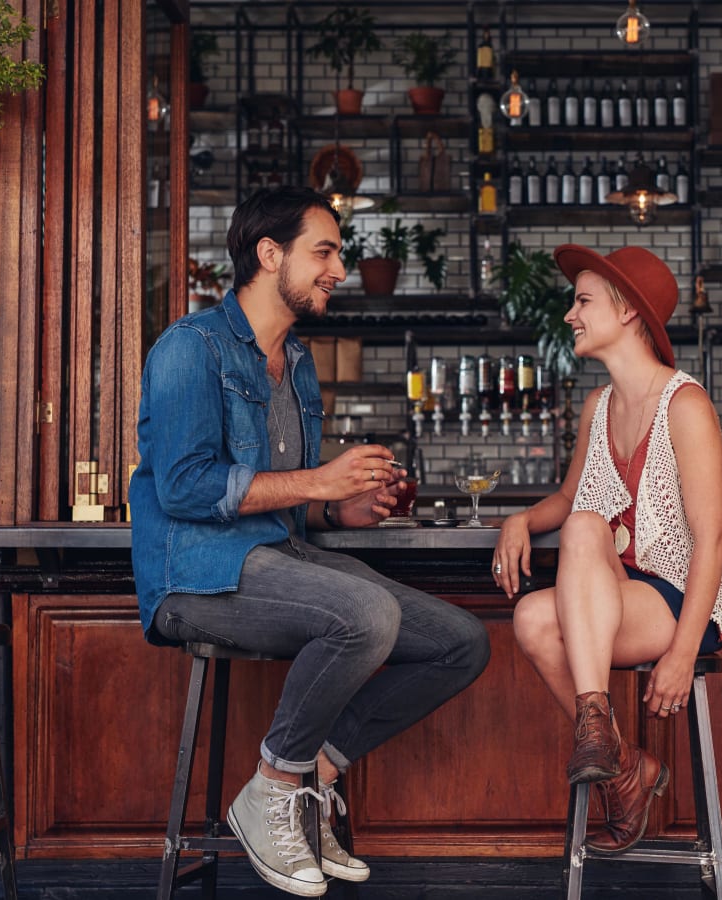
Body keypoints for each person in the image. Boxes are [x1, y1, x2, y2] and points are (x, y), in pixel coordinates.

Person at [130, 187, 490, 897]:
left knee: (462, 641)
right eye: (323, 252)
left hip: (279, 558)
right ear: (270, 255)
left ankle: (309, 780)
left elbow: (290, 498)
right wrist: (317, 484)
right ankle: (268, 790)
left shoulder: (295, 363)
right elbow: (183, 489)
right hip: (194, 574)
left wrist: (341, 509)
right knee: (365, 614)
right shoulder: (189, 348)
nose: (338, 270)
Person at [492, 244, 722, 853]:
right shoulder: (599, 406)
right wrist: (521, 520)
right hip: (624, 590)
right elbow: (568, 496)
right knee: (531, 615)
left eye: (582, 301)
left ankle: (606, 748)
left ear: (629, 312)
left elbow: (712, 540)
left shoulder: (686, 406)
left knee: (584, 530)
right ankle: (623, 760)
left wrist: (684, 654)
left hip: (683, 599)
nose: (570, 316)